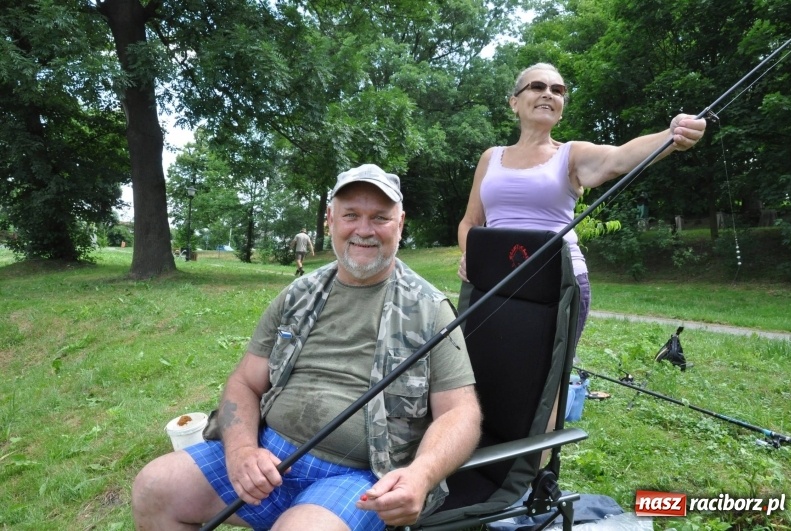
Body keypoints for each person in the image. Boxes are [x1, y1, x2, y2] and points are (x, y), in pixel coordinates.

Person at [132, 163, 482, 531]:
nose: (364, 230)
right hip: (267, 456)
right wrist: (241, 452)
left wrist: (421, 474)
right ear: (330, 220)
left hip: (359, 479)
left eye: (380, 217)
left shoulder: (430, 309)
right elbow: (245, 382)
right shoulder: (297, 294)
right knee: (155, 488)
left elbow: (461, 413)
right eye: (351, 215)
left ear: (400, 223)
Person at [457, 62, 707, 343]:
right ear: (514, 102)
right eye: (537, 86)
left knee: (544, 369)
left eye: (557, 90)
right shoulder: (490, 157)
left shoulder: (571, 154)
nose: (548, 93)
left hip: (557, 282)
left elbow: (618, 158)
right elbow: (470, 222)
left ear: (561, 108)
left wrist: (671, 135)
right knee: (480, 362)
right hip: (494, 278)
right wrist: (474, 258)